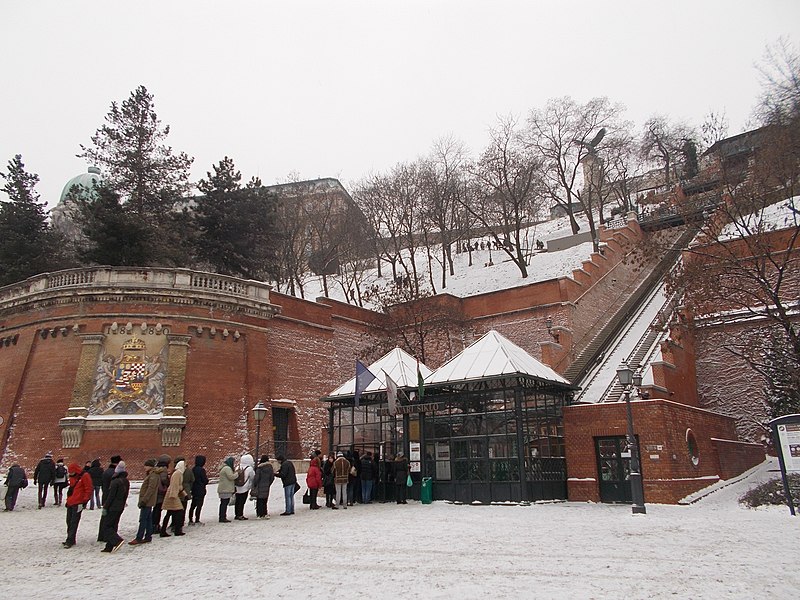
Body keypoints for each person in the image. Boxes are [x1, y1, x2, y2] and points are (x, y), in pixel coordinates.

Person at [101, 460, 129, 552]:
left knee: (106, 526)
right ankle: (109, 546)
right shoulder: (126, 481)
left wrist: (105, 507)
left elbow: (111, 496)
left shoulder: (115, 482)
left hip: (112, 507)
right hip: (120, 507)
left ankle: (117, 540)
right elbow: (126, 495)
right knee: (113, 525)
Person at [63, 462, 92, 548]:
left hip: (78, 502)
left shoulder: (85, 476)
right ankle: (71, 538)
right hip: (71, 502)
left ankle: (70, 540)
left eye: (71, 472)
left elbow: (88, 489)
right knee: (69, 521)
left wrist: (84, 501)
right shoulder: (73, 477)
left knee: (74, 522)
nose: (70, 474)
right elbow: (71, 490)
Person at [130, 458, 159, 545]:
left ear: (150, 466)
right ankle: (148, 536)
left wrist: (144, 500)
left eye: (146, 465)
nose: (144, 467)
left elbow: (150, 489)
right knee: (148, 519)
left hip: (147, 501)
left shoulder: (153, 475)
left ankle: (139, 537)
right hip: (148, 501)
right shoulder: (152, 474)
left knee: (143, 519)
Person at [160, 458, 187, 537]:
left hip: (172, 494)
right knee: (179, 511)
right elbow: (175, 485)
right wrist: (174, 496)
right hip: (172, 495)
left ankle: (164, 530)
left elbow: (178, 486)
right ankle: (177, 530)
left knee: (170, 513)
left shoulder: (178, 473)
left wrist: (184, 494)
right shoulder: (178, 473)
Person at [97, 454, 121, 542]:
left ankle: (102, 535)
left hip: (106, 497)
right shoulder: (114, 473)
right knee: (111, 520)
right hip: (111, 499)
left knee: (105, 518)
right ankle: (108, 536)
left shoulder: (106, 471)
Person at [250, 454, 275, 518]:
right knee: (265, 500)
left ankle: (259, 514)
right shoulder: (270, 467)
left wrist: (254, 484)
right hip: (266, 486)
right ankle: (264, 512)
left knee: (259, 500)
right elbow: (272, 477)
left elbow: (257, 478)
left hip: (259, 486)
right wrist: (268, 483)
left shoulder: (260, 468)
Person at [151, 454, 170, 534]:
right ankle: (156, 526)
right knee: (158, 509)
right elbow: (164, 480)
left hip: (155, 492)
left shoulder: (155, 468)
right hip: (161, 493)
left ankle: (152, 525)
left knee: (155, 509)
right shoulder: (164, 469)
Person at [234, 453, 255, 520]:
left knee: (237, 501)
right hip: (245, 487)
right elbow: (252, 477)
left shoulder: (238, 467)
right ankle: (240, 514)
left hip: (237, 487)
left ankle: (237, 514)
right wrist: (251, 486)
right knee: (242, 502)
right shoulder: (249, 468)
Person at [188, 455, 208, 525]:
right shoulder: (202, 470)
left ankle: (190, 519)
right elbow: (205, 480)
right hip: (200, 489)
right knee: (199, 505)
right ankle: (197, 519)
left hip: (194, 489)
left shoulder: (193, 469)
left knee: (193, 505)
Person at [217, 456, 237, 523]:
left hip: (223, 488)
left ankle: (222, 516)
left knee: (223, 503)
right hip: (225, 489)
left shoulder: (224, 468)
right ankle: (222, 517)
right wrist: (237, 474)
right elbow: (231, 477)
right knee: (224, 503)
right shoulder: (227, 468)